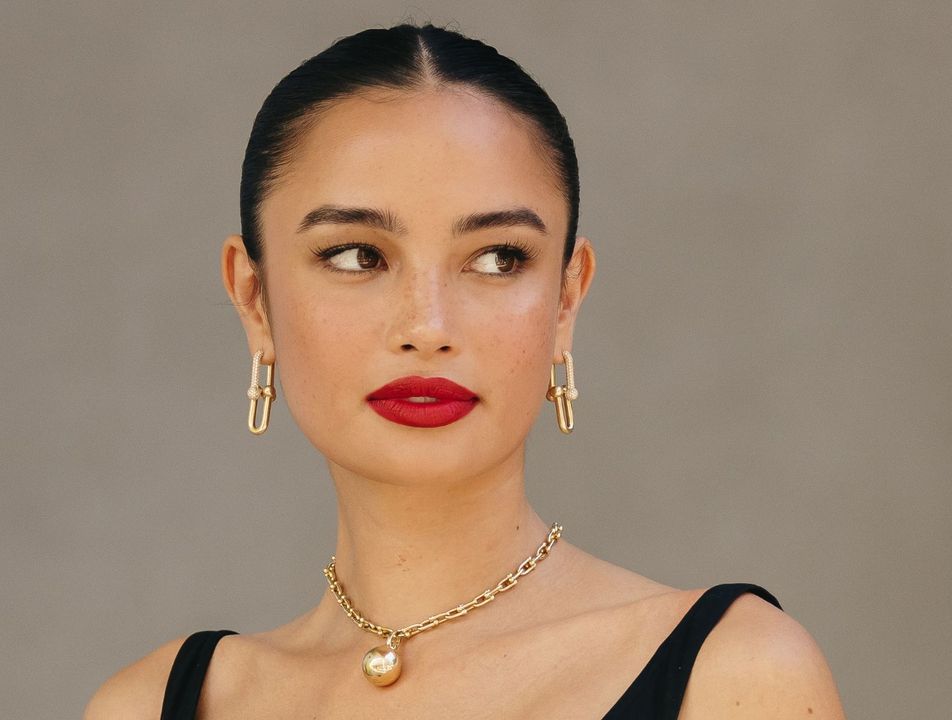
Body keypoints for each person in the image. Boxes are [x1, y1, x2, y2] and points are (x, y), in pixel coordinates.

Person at [84, 22, 846, 719]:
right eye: (357, 256)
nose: (427, 327)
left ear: (566, 299)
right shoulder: (144, 706)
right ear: (254, 298)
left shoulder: (737, 676)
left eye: (496, 258)